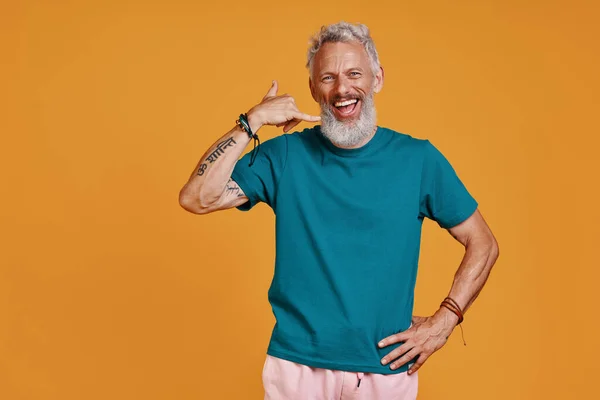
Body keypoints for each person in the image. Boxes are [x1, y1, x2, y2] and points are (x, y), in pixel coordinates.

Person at [179, 21, 499, 400]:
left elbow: (483, 243)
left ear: (377, 78)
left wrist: (445, 320)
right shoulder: (285, 155)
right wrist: (253, 121)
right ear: (314, 88)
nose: (342, 88)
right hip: (297, 368)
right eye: (328, 77)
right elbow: (196, 197)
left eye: (354, 74)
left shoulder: (418, 160)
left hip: (386, 369)